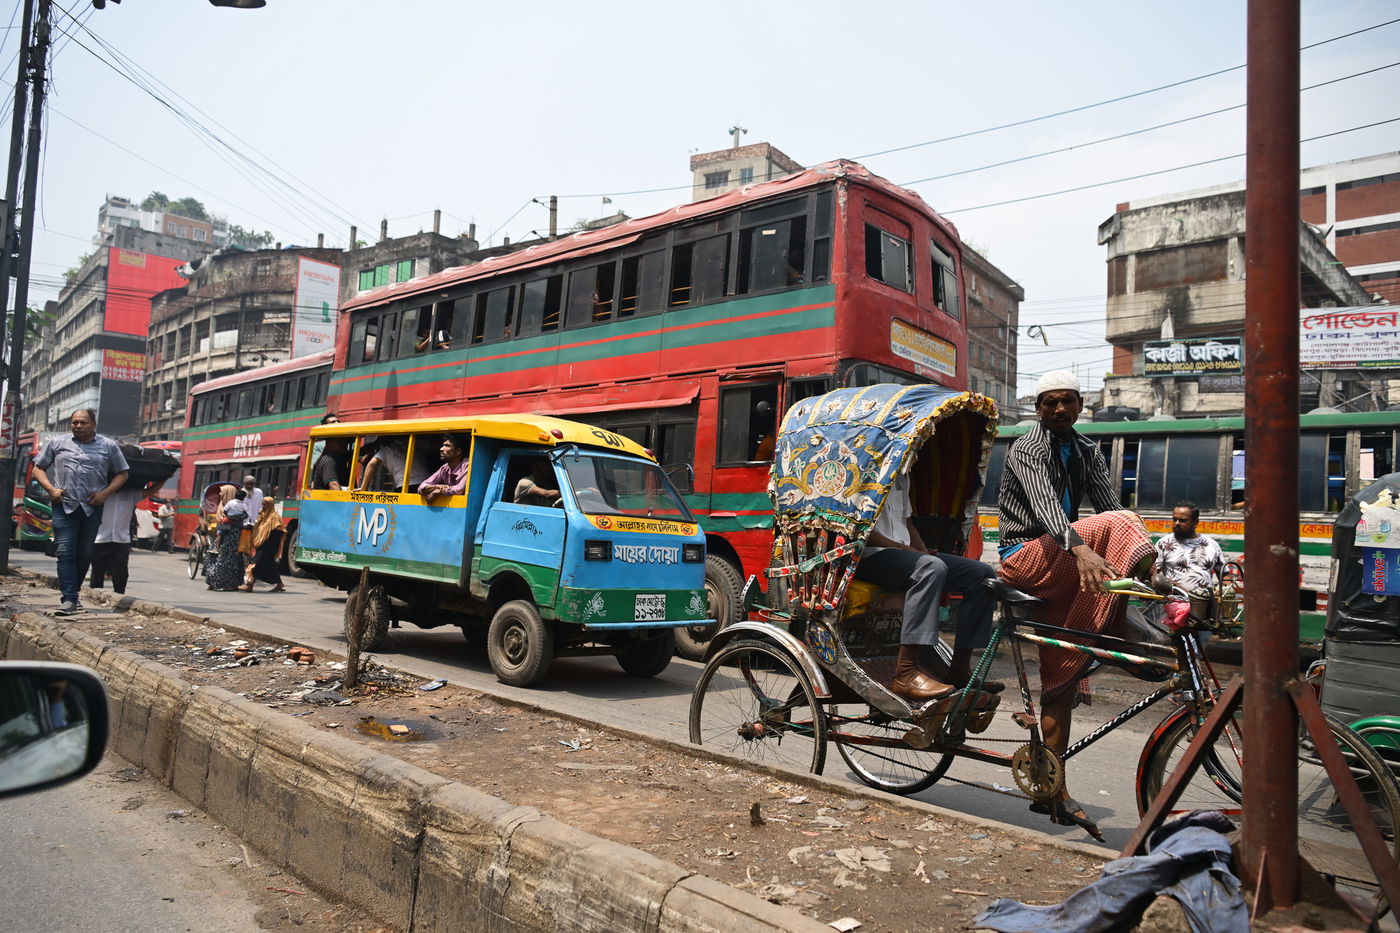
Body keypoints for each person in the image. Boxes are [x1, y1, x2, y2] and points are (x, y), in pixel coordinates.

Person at [996, 370, 1155, 838]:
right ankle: (1124, 628)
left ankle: (1053, 791)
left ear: (1080, 405)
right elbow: (1046, 508)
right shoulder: (1027, 448)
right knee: (1119, 523)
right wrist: (1084, 549)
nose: (1059, 410)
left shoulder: (1087, 450)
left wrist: (1104, 548)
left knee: (1060, 680)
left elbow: (1107, 502)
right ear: (1038, 408)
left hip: (1061, 558)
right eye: (1050, 403)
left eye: (1067, 402)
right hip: (1025, 557)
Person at [854, 467, 1000, 701]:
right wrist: (909, 551)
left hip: (903, 556)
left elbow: (907, 522)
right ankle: (906, 672)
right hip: (868, 556)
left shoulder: (901, 474)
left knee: (982, 574)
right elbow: (860, 531)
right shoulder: (862, 468)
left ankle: (960, 669)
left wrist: (920, 549)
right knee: (930, 568)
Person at [31, 409, 130, 616]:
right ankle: (68, 599)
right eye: (74, 423)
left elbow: (122, 474)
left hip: (91, 507)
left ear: (93, 424)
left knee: (85, 553)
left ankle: (73, 594)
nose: (78, 426)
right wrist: (51, 489)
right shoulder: (57, 443)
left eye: (83, 423)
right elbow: (37, 468)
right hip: (63, 505)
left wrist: (105, 494)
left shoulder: (109, 446)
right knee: (65, 552)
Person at [1153, 500, 1225, 594]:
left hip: (1205, 603)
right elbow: (1154, 575)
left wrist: (1224, 591)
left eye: (1182, 520)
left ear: (1196, 522)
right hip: (1174, 603)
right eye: (1175, 519)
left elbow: (1224, 575)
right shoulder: (1164, 543)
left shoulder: (1211, 545)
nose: (1177, 523)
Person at [89, 484, 142, 594]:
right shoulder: (99, 492)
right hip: (100, 537)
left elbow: (150, 492)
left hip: (122, 539)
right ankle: (95, 594)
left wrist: (166, 478)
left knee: (121, 571)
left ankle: (119, 595)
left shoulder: (131, 494)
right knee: (97, 570)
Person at [204, 486, 248, 591]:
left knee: (225, 559)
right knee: (219, 558)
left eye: (222, 492)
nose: (219, 494)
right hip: (229, 533)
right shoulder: (228, 504)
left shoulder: (229, 504)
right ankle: (216, 582)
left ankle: (221, 583)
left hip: (229, 535)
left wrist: (229, 519)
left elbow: (225, 515)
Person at [240, 498, 286, 593]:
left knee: (255, 564)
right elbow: (259, 529)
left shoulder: (275, 518)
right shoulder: (262, 515)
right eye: (262, 505)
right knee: (268, 566)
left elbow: (279, 533)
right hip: (261, 545)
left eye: (265, 505)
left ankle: (249, 586)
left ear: (270, 505)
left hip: (269, 546)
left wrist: (266, 542)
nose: (263, 507)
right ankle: (279, 583)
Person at [420, 434, 469, 502]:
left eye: (447, 446)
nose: (441, 449)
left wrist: (440, 491)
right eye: (443, 445)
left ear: (458, 451)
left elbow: (459, 490)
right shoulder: (445, 468)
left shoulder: (467, 465)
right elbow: (421, 487)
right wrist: (436, 487)